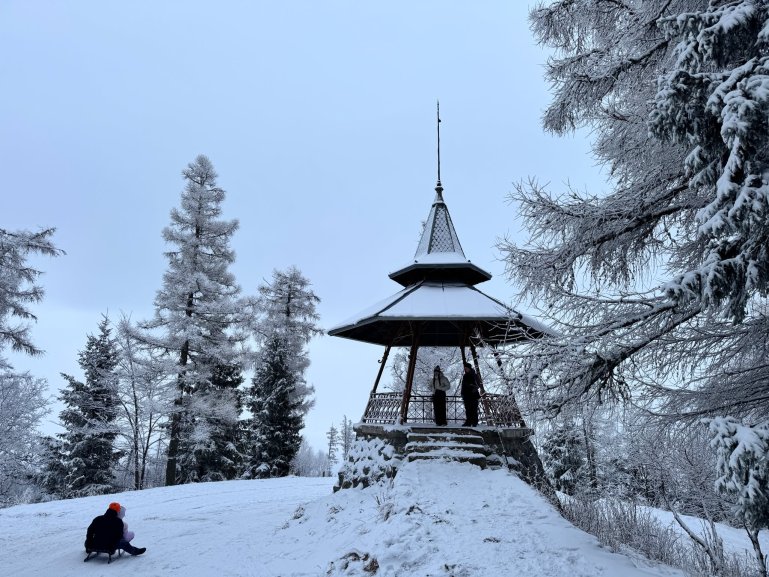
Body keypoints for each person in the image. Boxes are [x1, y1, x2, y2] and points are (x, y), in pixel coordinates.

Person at [461, 361, 480, 427]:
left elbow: (478, 384)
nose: (465, 369)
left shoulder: (474, 375)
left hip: (473, 395)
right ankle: (468, 422)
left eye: (466, 368)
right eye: (465, 368)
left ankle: (474, 422)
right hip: (466, 395)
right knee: (468, 409)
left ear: (469, 368)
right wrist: (462, 393)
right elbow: (463, 385)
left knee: (474, 409)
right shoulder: (465, 376)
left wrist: (473, 388)